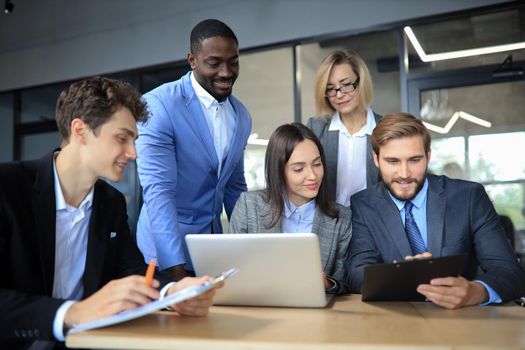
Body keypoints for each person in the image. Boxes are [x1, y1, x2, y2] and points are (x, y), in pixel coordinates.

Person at [0, 77, 218, 350]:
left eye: (134, 141)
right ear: (80, 130)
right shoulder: (7, 188)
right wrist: (73, 312)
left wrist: (172, 292)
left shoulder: (110, 201)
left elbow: (132, 270)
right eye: (122, 138)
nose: (133, 153)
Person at [346, 112, 525, 309]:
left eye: (414, 160)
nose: (404, 174)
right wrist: (406, 276)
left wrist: (476, 291)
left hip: (462, 322)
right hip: (396, 323)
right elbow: (356, 273)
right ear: (376, 159)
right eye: (393, 161)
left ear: (428, 156)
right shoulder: (363, 204)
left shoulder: (469, 197)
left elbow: (511, 272)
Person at [135, 19, 252, 281]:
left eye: (233, 62)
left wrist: (252, 247)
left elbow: (234, 187)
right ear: (192, 60)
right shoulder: (158, 106)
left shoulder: (241, 115)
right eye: (214, 63)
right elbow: (159, 192)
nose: (226, 72)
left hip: (210, 249)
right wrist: (176, 273)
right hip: (163, 252)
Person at [229, 123, 352, 294]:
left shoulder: (341, 218)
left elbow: (344, 282)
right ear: (278, 171)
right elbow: (233, 270)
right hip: (260, 305)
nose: (312, 175)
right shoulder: (248, 205)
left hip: (317, 313)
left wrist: (326, 283)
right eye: (298, 169)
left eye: (317, 164)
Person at [307, 50, 381, 207]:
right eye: (330, 88)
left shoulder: (384, 129)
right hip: (329, 222)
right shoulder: (315, 129)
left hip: (372, 223)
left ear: (361, 83)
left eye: (346, 85)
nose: (339, 95)